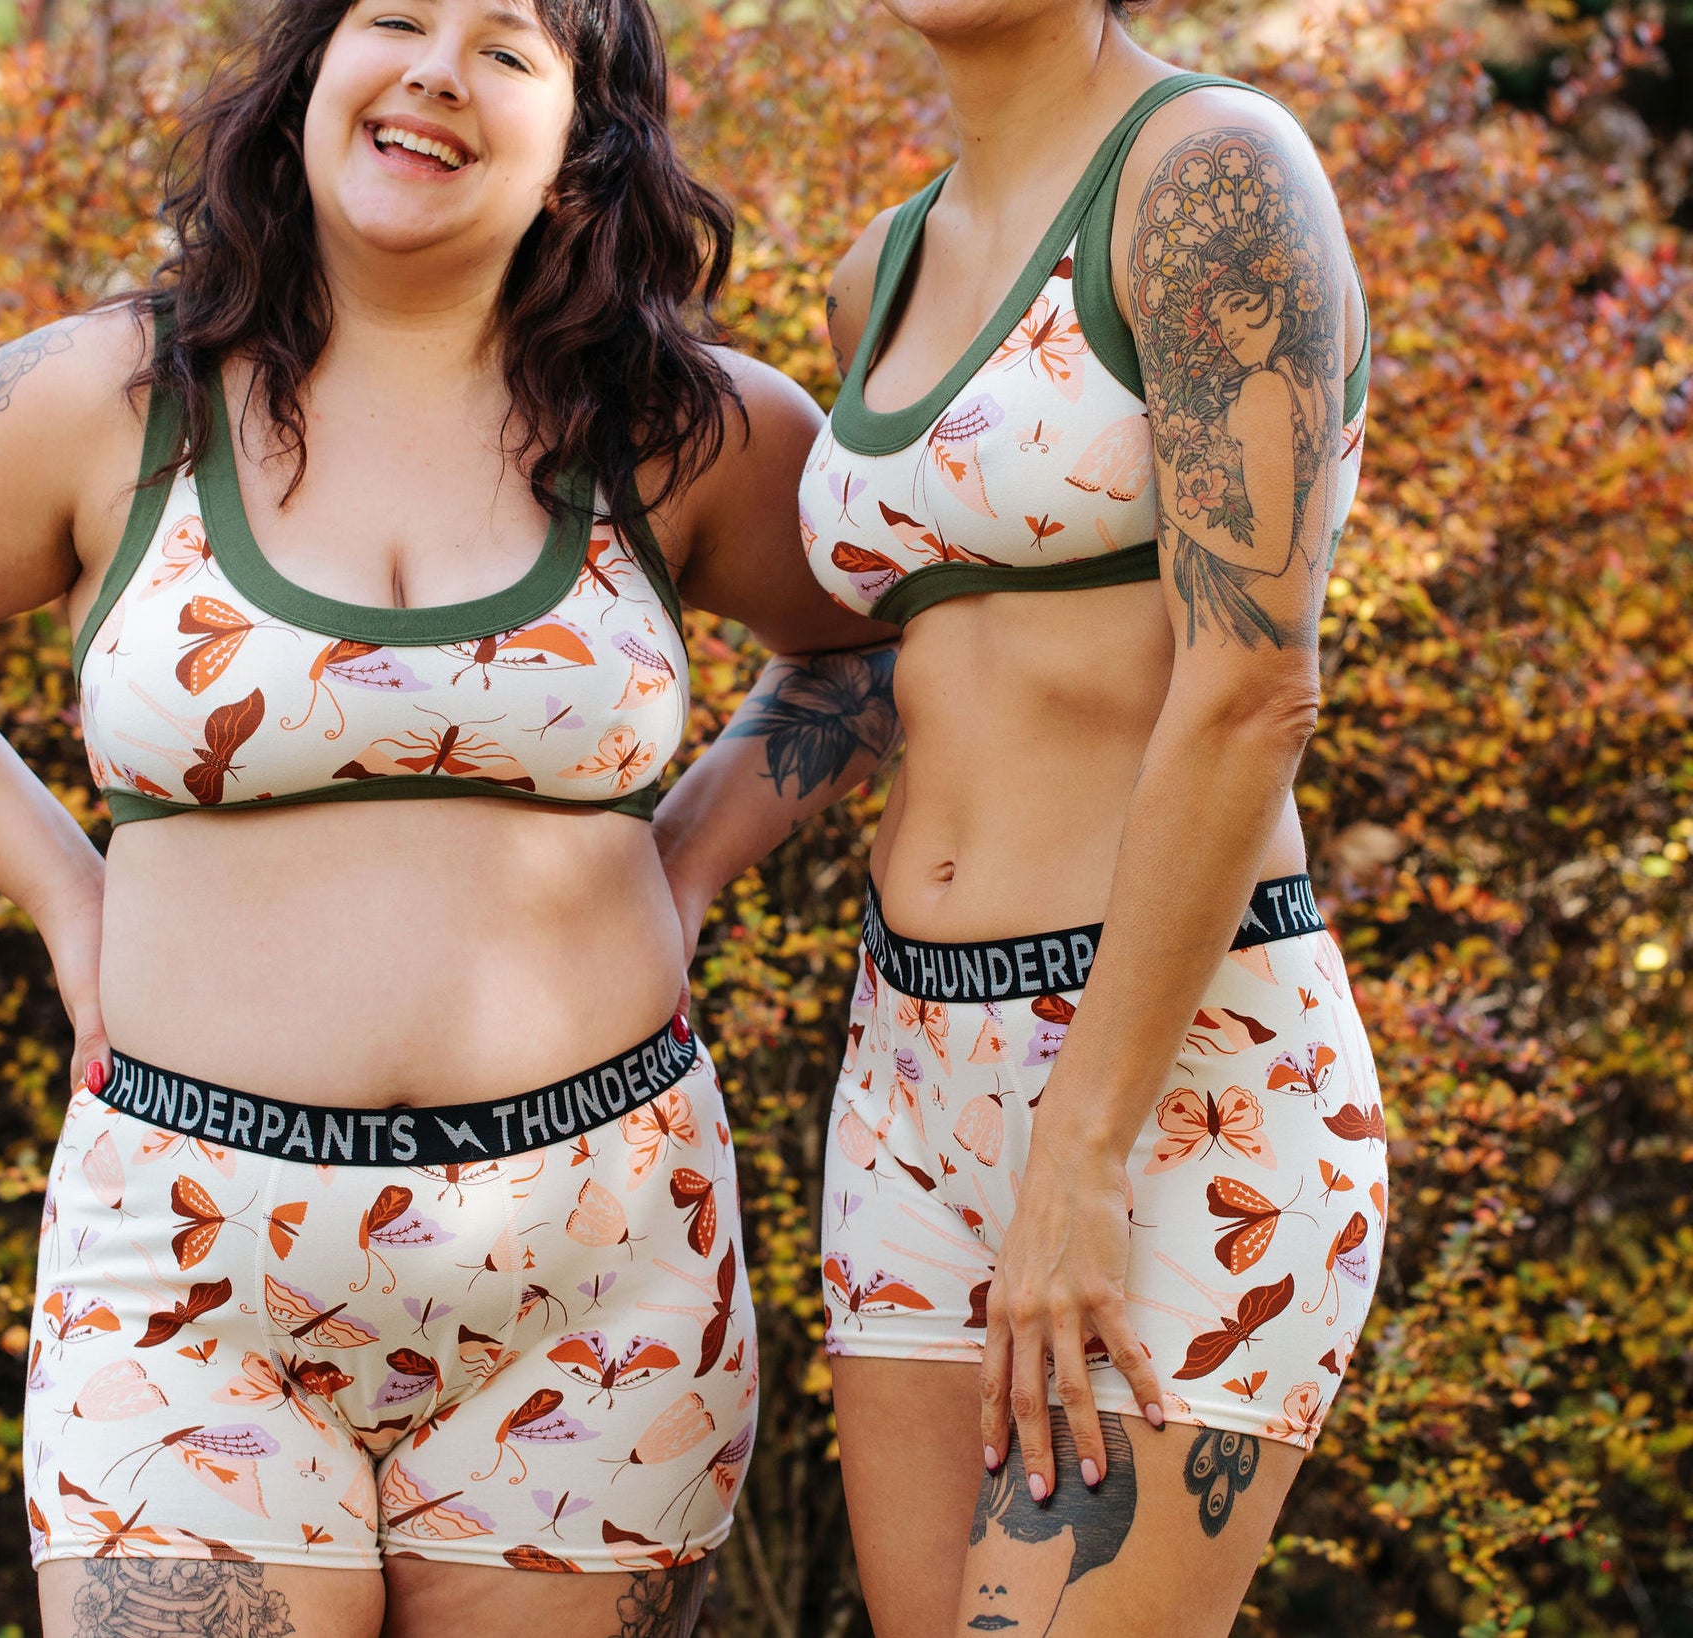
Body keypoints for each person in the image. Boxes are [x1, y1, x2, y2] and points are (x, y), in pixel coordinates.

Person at [0, 0, 897, 1630]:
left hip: (600, 1274)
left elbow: (869, 636)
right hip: (188, 1276)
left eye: (508, 48)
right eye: (397, 18)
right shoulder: (107, 397)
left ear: (583, 149)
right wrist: (67, 898)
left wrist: (691, 859)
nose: (438, 66)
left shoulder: (683, 427)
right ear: (309, 80)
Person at [655, 0, 1384, 1632]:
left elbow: (1255, 682)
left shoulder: (1207, 175)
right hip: (908, 1069)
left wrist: (1088, 1139)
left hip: (1173, 1076)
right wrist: (677, 858)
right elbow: (888, 656)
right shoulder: (883, 268)